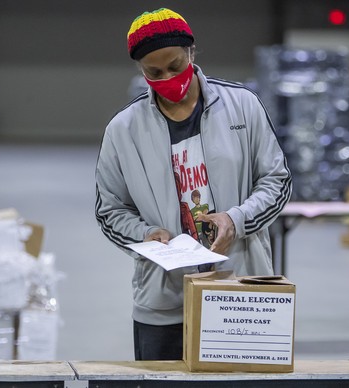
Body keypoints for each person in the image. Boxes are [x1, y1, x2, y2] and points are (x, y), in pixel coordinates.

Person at [95, 8, 291, 361]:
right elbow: (110, 210)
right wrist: (145, 233)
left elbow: (276, 182)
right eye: (154, 72)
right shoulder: (123, 130)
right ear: (140, 70)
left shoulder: (242, 107)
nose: (168, 77)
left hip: (240, 294)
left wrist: (237, 219)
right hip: (164, 303)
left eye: (175, 65)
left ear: (192, 52)